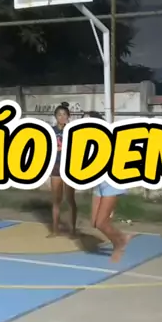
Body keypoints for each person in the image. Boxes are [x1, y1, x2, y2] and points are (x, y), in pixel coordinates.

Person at [85, 111, 130, 263]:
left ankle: (119, 245)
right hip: (99, 184)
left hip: (111, 183)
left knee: (101, 223)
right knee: (94, 222)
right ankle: (122, 237)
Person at [49, 102, 77, 237]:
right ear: (55, 117)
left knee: (70, 199)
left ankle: (73, 229)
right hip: (55, 166)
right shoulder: (51, 131)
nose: (62, 117)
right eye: (59, 115)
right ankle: (55, 229)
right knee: (56, 199)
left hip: (69, 167)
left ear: (68, 116)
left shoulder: (72, 131)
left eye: (64, 114)